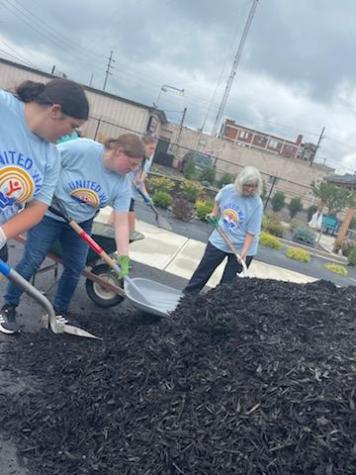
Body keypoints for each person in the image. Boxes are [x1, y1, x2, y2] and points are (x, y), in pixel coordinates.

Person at [0, 134, 145, 334]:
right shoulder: (84, 150)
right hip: (48, 213)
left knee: (76, 266)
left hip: (81, 222)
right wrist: (44, 192)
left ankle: (58, 312)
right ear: (119, 152)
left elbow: (121, 224)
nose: (134, 169)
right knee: (32, 260)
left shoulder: (123, 183)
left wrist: (124, 257)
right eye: (132, 163)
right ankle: (9, 306)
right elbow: (48, 160)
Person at [0, 78, 89, 262]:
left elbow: (37, 208)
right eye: (73, 126)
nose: (72, 134)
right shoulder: (3, 106)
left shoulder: (51, 156)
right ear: (55, 110)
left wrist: (2, 234)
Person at [184, 166, 264, 294]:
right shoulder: (228, 190)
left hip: (243, 246)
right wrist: (214, 213)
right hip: (220, 239)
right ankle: (187, 297)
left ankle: (215, 309)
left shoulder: (257, 203)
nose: (250, 189)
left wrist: (243, 252)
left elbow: (252, 232)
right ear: (240, 182)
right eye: (247, 185)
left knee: (227, 287)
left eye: (253, 186)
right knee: (202, 273)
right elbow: (218, 200)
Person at [128, 135, 157, 240]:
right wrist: (131, 181)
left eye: (154, 149)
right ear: (143, 146)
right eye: (151, 148)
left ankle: (104, 246)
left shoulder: (146, 161)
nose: (152, 151)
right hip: (126, 194)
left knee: (114, 223)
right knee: (131, 230)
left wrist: (147, 197)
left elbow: (140, 182)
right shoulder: (134, 157)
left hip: (131, 196)